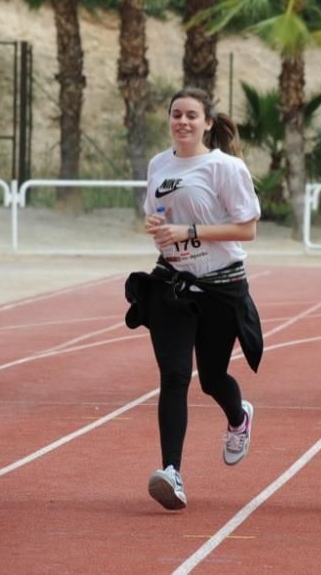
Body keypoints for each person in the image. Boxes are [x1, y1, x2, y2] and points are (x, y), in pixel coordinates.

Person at [124, 87, 263, 510]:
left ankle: (239, 416)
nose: (182, 122)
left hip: (221, 287)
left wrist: (189, 233)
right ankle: (172, 473)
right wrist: (157, 223)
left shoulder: (226, 167)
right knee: (175, 375)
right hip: (172, 286)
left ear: (206, 122)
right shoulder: (158, 164)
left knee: (213, 377)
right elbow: (161, 213)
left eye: (191, 115)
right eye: (176, 114)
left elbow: (247, 230)